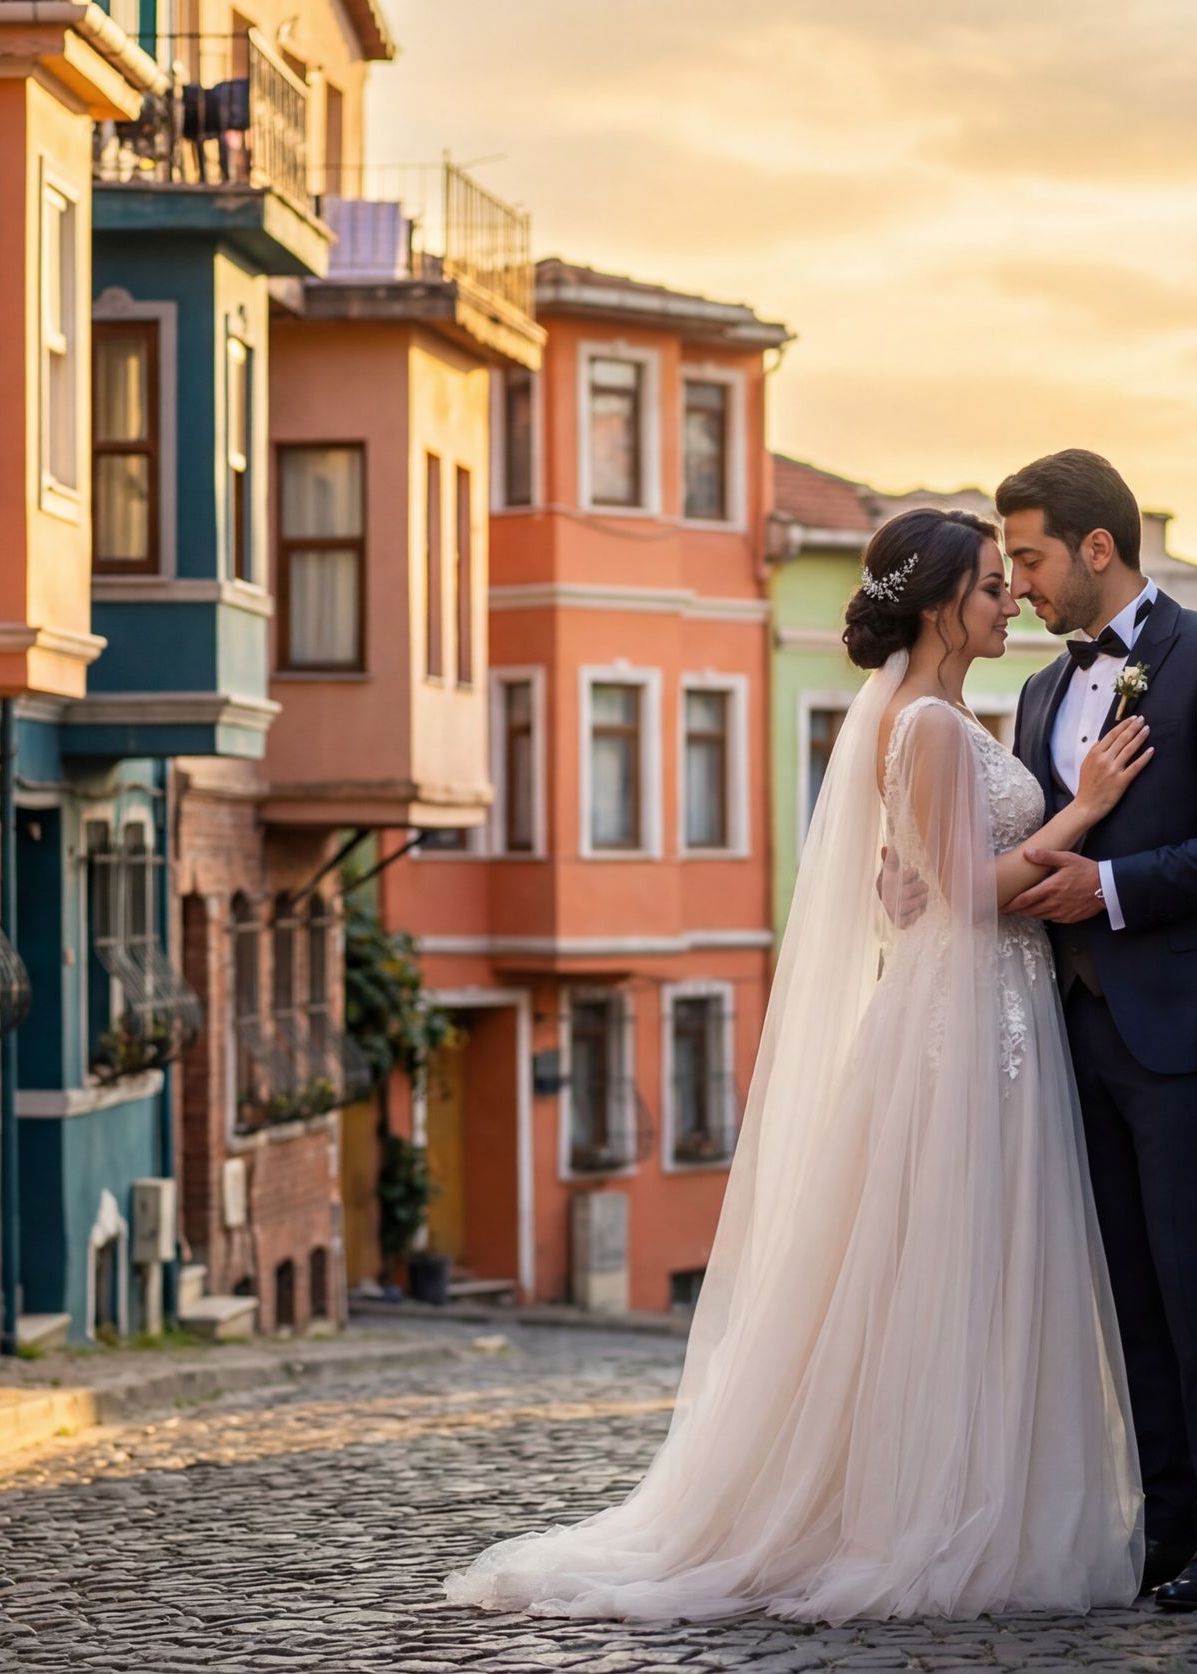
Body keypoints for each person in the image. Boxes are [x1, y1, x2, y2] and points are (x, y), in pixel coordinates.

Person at [442, 506, 1158, 1621]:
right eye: (987, 583)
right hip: (962, 1023)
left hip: (996, 1014)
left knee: (983, 1265)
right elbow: (970, 895)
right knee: (948, 1263)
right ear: (936, 609)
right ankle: (923, 1512)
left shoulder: (953, 716)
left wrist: (935, 872)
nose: (1008, 597)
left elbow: (923, 878)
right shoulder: (922, 724)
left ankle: (982, 1495)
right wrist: (1089, 812)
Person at [998, 448, 1197, 1611]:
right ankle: (1170, 1526)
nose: (1018, 583)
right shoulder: (1039, 693)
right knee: (1126, 1287)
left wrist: (1111, 893)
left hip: (1189, 1025)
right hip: (1075, 1024)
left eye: (1029, 558)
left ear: (1096, 547)